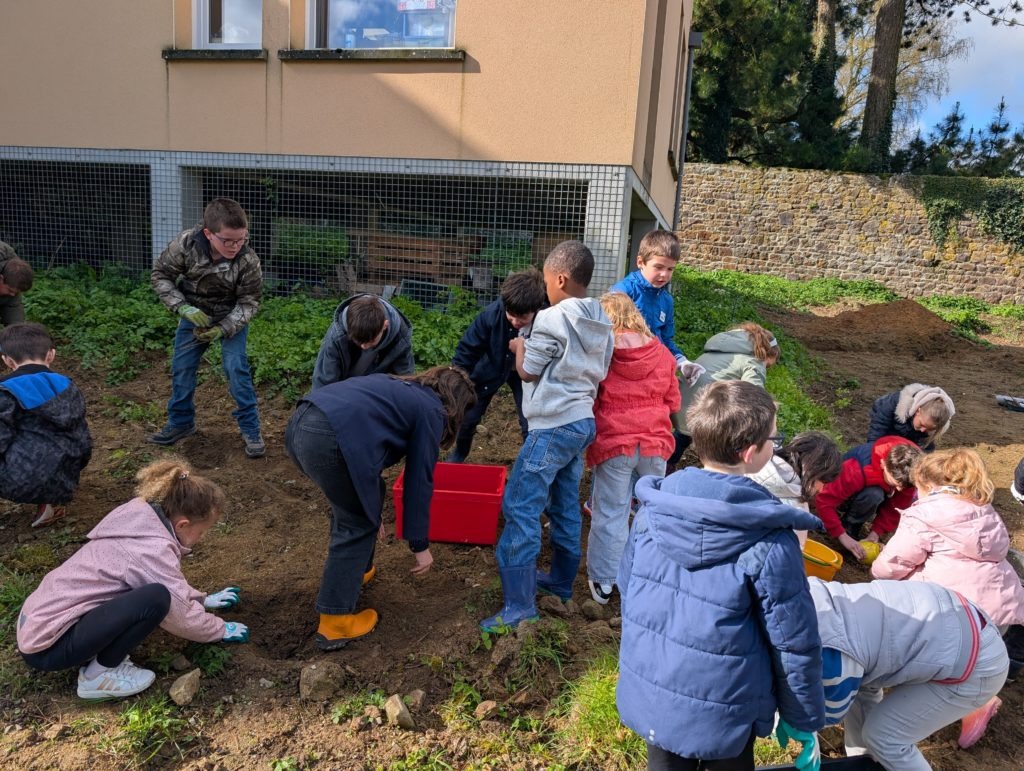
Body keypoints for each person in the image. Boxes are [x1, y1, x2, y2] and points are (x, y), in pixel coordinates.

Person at [617, 380, 825, 770]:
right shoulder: (770, 540)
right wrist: (802, 716)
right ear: (749, 452)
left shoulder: (651, 513)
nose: (775, 445)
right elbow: (793, 641)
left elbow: (629, 594)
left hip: (655, 691)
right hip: (728, 707)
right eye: (773, 439)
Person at [16, 458, 250, 700]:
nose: (201, 537)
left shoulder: (140, 519)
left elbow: (169, 581)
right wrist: (219, 629)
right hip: (49, 647)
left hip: (39, 623)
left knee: (154, 592)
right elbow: (178, 613)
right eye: (201, 532)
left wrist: (202, 600)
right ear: (182, 524)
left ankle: (93, 655)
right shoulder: (150, 550)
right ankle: (98, 675)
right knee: (156, 598)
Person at [285, 366, 476, 651]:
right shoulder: (432, 411)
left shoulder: (399, 388)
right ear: (456, 407)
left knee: (357, 506)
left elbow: (365, 452)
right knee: (357, 524)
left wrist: (371, 504)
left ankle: (358, 571)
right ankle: (335, 623)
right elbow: (418, 481)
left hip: (301, 424)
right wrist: (419, 545)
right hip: (328, 438)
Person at [480, 240, 613, 633]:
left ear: (560, 279)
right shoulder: (600, 318)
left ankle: (519, 606)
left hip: (553, 424)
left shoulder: (553, 318)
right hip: (581, 422)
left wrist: (520, 347)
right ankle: (559, 582)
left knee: (520, 504)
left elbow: (528, 371)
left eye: (546, 279)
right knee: (564, 501)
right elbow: (602, 370)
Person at [871, 447, 1024, 749]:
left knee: (925, 658)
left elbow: (892, 564)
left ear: (928, 484)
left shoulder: (925, 514)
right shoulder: (985, 512)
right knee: (971, 661)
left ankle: (918, 710)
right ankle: (979, 698)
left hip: (954, 612)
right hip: (999, 612)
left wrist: (877, 571)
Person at [810, 578, 1008, 769]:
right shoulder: (805, 596)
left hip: (976, 665)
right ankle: (866, 763)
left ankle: (875, 758)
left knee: (885, 738)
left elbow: (830, 712)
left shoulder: (832, 654)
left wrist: (801, 726)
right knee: (863, 690)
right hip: (951, 620)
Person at [150, 197, 265, 458]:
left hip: (231, 316)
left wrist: (224, 328)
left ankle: (251, 428)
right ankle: (181, 423)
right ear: (208, 233)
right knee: (182, 368)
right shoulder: (186, 245)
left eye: (241, 239)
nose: (235, 246)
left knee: (236, 368)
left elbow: (249, 302)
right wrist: (182, 308)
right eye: (228, 240)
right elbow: (161, 274)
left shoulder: (248, 259)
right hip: (194, 313)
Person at [584, 291, 678, 605]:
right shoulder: (662, 353)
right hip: (655, 442)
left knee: (611, 511)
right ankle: (648, 575)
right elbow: (673, 401)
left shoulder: (603, 354)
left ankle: (605, 581)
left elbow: (592, 398)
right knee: (653, 511)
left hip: (616, 443)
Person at [447, 268, 547, 463]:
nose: (516, 322)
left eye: (522, 318)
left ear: (536, 308)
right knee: (469, 416)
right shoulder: (491, 316)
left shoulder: (547, 318)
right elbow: (468, 350)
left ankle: (529, 461)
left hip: (526, 373)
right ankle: (460, 452)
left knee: (530, 419)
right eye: (511, 316)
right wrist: (455, 382)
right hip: (492, 367)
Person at [0, 323, 92, 528]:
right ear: (51, 355)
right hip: (68, 472)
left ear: (7, 360)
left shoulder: (6, 390)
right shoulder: (68, 385)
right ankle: (50, 501)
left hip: (25, 480)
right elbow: (82, 433)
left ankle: (41, 492)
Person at [610, 229, 703, 383]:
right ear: (640, 262)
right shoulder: (623, 292)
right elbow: (610, 336)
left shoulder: (666, 300)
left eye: (670, 269)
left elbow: (665, 339)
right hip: (624, 372)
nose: (664, 274)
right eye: (658, 267)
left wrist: (682, 361)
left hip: (655, 369)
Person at [671, 322, 781, 453]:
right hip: (706, 418)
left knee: (683, 437)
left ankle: (668, 460)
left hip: (679, 410)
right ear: (766, 353)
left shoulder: (716, 352)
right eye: (768, 366)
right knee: (728, 439)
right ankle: (717, 462)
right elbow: (755, 397)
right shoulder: (753, 362)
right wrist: (770, 411)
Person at [814, 436, 921, 560]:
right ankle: (844, 521)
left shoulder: (910, 472)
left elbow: (895, 508)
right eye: (895, 483)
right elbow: (824, 500)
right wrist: (841, 535)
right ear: (883, 464)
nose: (900, 489)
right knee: (873, 494)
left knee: (879, 495)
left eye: (903, 486)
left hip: (875, 487)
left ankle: (852, 525)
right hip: (844, 490)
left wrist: (876, 533)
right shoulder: (855, 469)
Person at [746, 431, 842, 548]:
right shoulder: (797, 513)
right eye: (823, 482)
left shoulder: (750, 459)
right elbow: (792, 551)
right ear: (812, 472)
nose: (821, 490)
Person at [311, 293, 415, 391]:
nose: (364, 346)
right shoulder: (337, 335)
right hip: (344, 390)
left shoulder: (401, 337)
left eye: (371, 340)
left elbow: (404, 380)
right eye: (358, 341)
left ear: (385, 326)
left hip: (379, 391)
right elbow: (324, 382)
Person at [867, 383, 954, 452]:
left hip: (910, 431)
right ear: (918, 411)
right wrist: (872, 450)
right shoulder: (895, 402)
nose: (923, 430)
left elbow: (925, 449)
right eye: (922, 424)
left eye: (929, 429)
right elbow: (878, 428)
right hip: (890, 424)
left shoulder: (934, 422)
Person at [0, 241, 34, 329]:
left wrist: (17, 331)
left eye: (16, 292)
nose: (12, 294)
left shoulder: (11, 275)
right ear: (1, 278)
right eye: (10, 290)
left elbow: (13, 311)